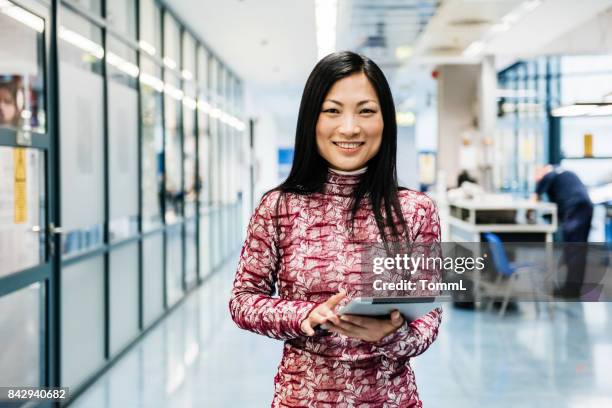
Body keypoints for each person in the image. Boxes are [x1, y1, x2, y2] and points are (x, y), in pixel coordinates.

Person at [229, 51, 441, 407]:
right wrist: (303, 315)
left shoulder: (415, 211)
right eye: (332, 110)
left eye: (366, 111)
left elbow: (429, 318)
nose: (349, 127)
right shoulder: (279, 207)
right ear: (312, 119)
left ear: (385, 121)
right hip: (302, 398)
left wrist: (391, 335)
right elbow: (243, 301)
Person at [533, 165, 593, 297]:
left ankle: (571, 290)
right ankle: (573, 288)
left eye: (537, 175)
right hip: (584, 207)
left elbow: (535, 197)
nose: (536, 179)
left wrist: (529, 210)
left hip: (575, 210)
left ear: (544, 170)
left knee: (574, 250)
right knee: (577, 250)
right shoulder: (564, 175)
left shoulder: (551, 173)